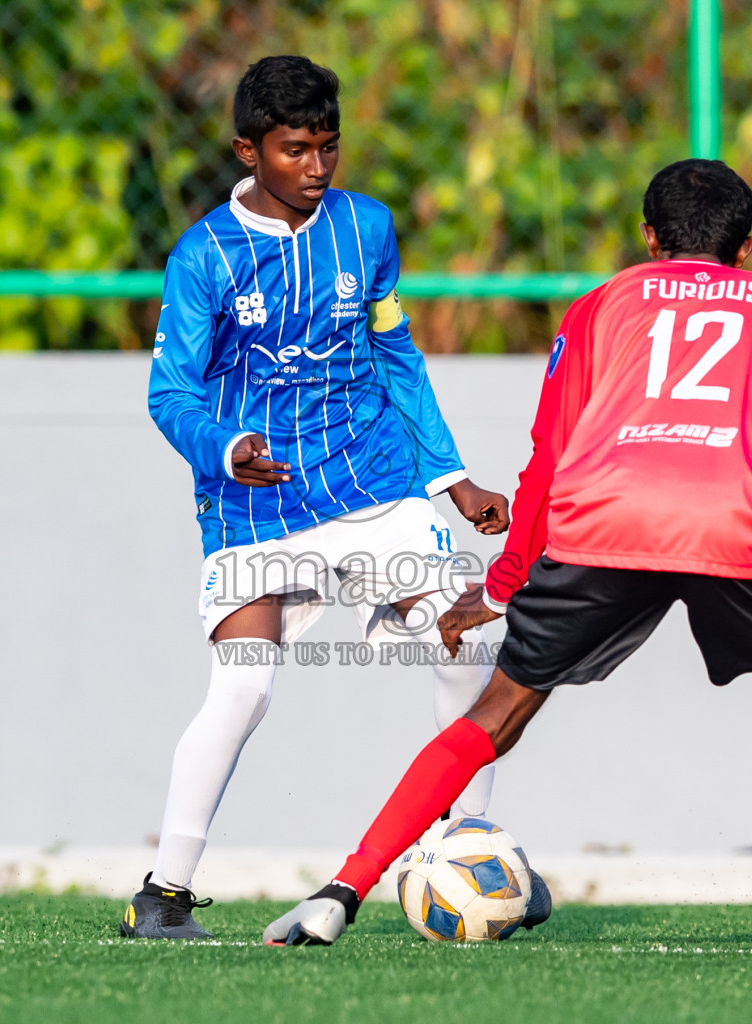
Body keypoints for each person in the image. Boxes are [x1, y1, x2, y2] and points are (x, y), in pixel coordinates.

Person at [263, 159, 752, 961]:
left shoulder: (600, 306)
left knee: (493, 716)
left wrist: (500, 588)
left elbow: (549, 454)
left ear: (647, 238)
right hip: (733, 525)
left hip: (603, 518)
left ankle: (337, 895)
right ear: (746, 249)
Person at [125, 55, 535, 939]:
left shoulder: (367, 229)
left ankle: (471, 843)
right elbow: (170, 394)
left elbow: (396, 353)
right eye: (295, 150)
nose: (316, 167)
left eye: (329, 148)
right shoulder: (203, 256)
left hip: (372, 483)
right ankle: (162, 895)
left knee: (468, 639)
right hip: (256, 505)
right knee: (243, 691)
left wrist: (449, 477)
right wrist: (225, 448)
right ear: (249, 150)